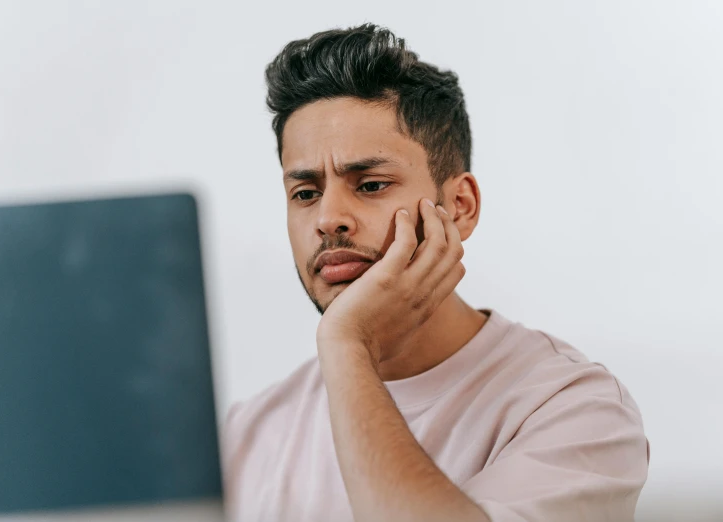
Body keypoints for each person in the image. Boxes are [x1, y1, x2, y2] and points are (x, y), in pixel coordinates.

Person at [223, 24, 649, 522]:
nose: (327, 219)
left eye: (371, 184)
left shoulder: (573, 410)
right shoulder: (245, 436)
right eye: (305, 193)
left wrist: (347, 345)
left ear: (460, 206)